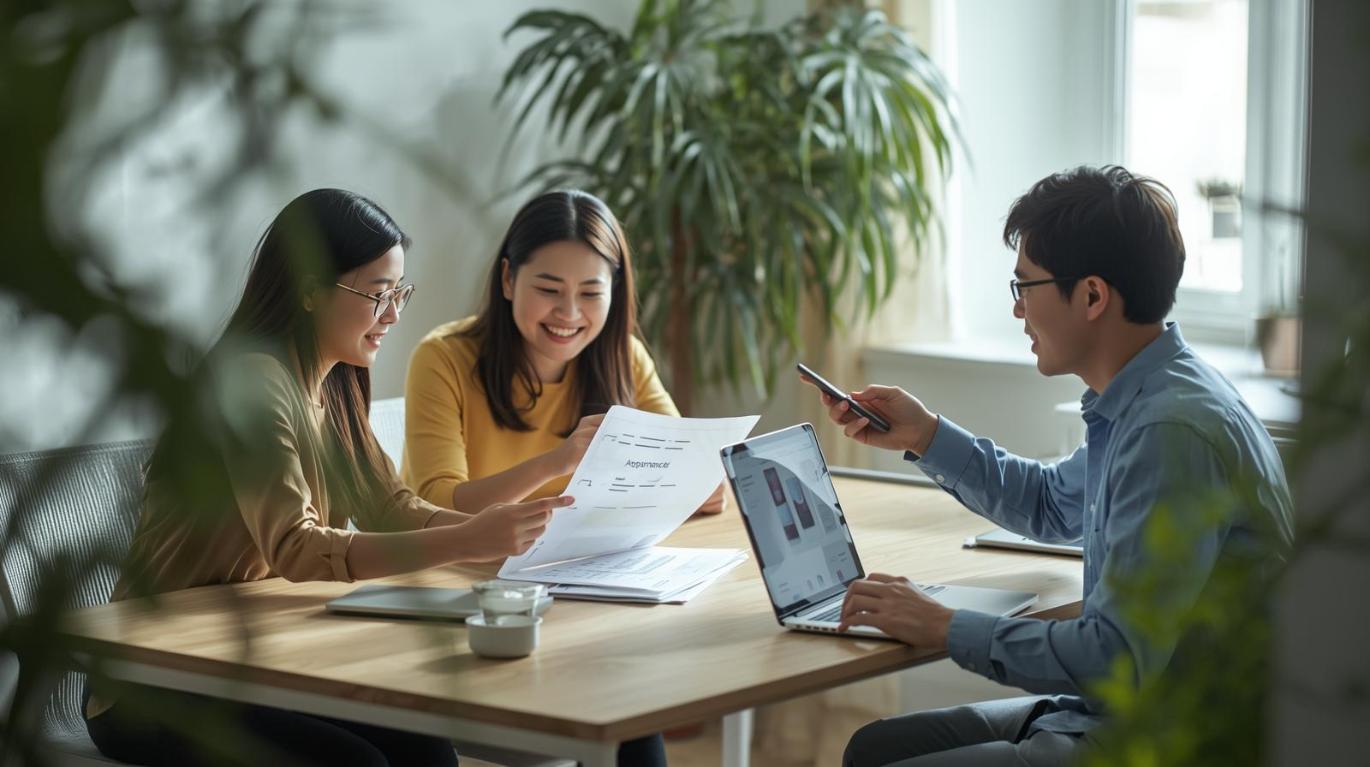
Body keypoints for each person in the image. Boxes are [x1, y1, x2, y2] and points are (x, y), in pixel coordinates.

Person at [805, 166, 1294, 766]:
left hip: (1170, 739)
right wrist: (926, 435)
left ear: (1091, 295)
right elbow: (1051, 504)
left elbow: (1114, 657)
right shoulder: (1148, 397)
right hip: (1110, 713)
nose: (1018, 312)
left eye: (1024, 287)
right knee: (875, 748)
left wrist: (943, 625)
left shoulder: (1170, 430)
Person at [84, 189, 570, 767]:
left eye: (399, 295)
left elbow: (391, 507)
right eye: (378, 295)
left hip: (252, 665)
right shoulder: (250, 383)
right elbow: (298, 548)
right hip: (154, 683)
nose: (393, 315)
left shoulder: (335, 384)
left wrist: (499, 539)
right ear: (310, 292)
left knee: (428, 749)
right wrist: (471, 539)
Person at [402, 188, 724, 515]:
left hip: (578, 560)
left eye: (590, 293)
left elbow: (687, 463)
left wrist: (704, 485)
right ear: (508, 279)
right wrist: (556, 463)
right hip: (459, 561)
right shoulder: (442, 359)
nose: (569, 313)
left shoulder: (625, 357)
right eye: (549, 290)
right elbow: (437, 503)